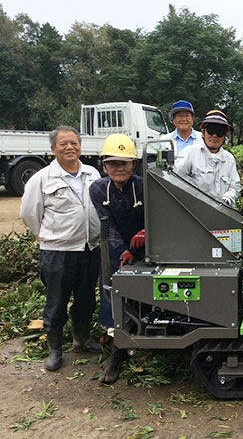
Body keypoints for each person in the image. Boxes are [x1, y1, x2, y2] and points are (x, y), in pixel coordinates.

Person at [20, 126, 102, 371]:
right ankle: (55, 349)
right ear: (53, 149)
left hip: (89, 248)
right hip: (57, 253)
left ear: (80, 146)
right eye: (64, 144)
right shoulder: (42, 178)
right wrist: (50, 237)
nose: (70, 147)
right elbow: (29, 214)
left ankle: (82, 338)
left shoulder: (92, 173)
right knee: (56, 302)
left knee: (86, 299)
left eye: (74, 143)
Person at [89, 134, 145, 384]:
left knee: (142, 297)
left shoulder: (144, 186)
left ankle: (138, 340)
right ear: (104, 166)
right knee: (113, 298)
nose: (119, 168)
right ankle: (115, 351)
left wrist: (147, 233)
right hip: (115, 250)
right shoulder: (99, 189)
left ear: (133, 164)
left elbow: (159, 217)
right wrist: (122, 248)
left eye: (124, 163)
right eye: (113, 163)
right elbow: (107, 223)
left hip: (145, 250)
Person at [174, 110, 241, 207]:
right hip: (193, 211)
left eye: (219, 132)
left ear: (225, 135)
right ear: (203, 132)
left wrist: (226, 201)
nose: (214, 136)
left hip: (223, 213)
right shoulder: (189, 153)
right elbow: (176, 180)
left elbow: (235, 186)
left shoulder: (229, 158)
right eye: (211, 130)